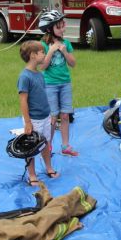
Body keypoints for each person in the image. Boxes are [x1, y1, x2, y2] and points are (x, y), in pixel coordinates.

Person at [17, 40, 60, 186]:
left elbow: (43, 96)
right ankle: (32, 174)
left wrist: (51, 114)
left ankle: (49, 168)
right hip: (33, 120)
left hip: (45, 117)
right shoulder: (25, 77)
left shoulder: (40, 75)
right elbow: (23, 101)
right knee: (31, 147)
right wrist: (28, 122)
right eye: (42, 52)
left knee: (46, 143)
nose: (44, 54)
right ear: (33, 55)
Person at [38, 10, 78, 157]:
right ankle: (48, 146)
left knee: (65, 115)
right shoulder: (43, 45)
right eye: (58, 27)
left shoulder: (66, 43)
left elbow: (73, 63)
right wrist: (51, 51)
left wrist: (64, 51)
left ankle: (65, 146)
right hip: (50, 85)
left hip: (65, 84)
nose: (62, 29)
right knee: (53, 117)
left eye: (63, 26)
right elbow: (42, 67)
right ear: (49, 29)